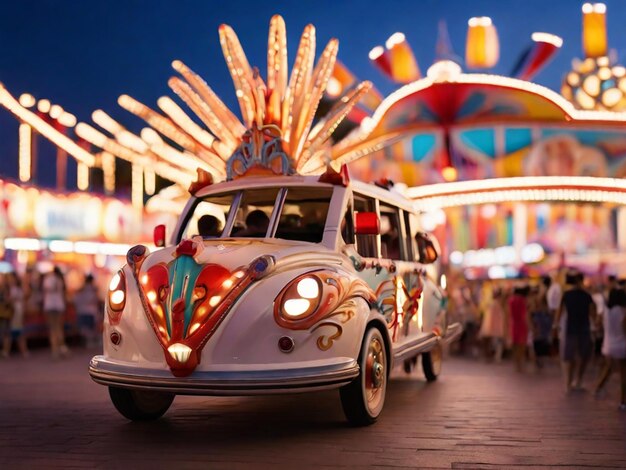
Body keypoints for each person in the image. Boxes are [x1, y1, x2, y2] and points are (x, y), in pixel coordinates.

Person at [555, 271, 596, 392]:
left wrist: (556, 325)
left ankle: (568, 382)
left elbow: (559, 311)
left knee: (569, 356)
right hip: (584, 327)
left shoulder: (567, 294)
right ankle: (578, 380)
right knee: (584, 355)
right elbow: (593, 312)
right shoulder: (587, 295)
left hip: (571, 327)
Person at [594, 287, 626, 410]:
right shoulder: (623, 311)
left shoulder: (606, 312)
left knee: (609, 368)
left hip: (608, 346)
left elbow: (598, 324)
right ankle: (623, 401)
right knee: (624, 374)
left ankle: (598, 387)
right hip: (622, 346)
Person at [42, 266, 70, 359]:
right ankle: (62, 348)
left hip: (50, 305)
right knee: (59, 328)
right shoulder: (60, 279)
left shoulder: (48, 279)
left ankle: (55, 351)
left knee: (53, 329)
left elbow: (45, 289)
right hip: (59, 305)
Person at [4, 272, 29, 358]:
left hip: (15, 311)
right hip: (12, 311)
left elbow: (14, 300)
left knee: (15, 331)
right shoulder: (10, 289)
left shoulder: (16, 289)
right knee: (12, 332)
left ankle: (22, 351)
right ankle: (21, 351)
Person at [479, 286, 506, 362]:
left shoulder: (494, 304)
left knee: (495, 344)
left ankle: (494, 357)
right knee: (495, 344)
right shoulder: (494, 305)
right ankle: (493, 357)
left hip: (493, 328)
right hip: (493, 328)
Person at [74, 274, 102, 348]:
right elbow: (95, 299)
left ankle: (89, 342)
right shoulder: (94, 289)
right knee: (92, 328)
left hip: (82, 310)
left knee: (86, 328)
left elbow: (76, 300)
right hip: (92, 311)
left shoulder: (81, 289)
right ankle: (92, 342)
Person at [509, 285, 529, 372]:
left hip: (513, 323)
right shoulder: (523, 300)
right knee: (521, 345)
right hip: (521, 324)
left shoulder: (511, 300)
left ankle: (516, 364)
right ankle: (520, 364)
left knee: (515, 345)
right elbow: (525, 314)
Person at [0, 274, 13, 359]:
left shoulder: (7, 290)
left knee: (5, 333)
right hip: (3, 313)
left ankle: (6, 350)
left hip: (5, 313)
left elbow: (9, 301)